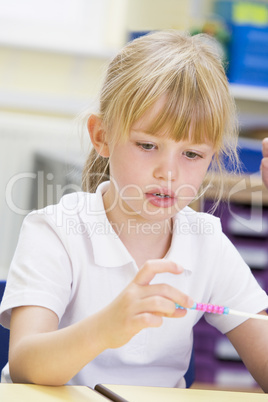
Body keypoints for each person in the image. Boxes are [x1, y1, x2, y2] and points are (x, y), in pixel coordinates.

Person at [1, 30, 268, 391]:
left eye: (191, 154)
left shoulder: (207, 242)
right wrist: (105, 328)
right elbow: (24, 365)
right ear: (102, 136)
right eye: (147, 145)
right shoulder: (55, 231)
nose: (169, 172)